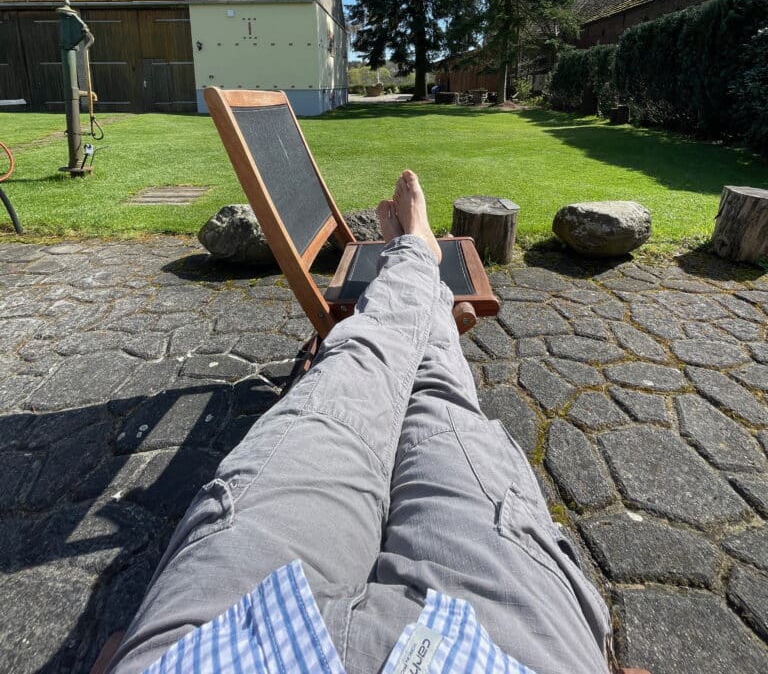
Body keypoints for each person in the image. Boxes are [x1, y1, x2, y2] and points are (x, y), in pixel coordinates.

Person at [107, 172, 645, 674]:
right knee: (437, 395)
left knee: (362, 354)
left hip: (229, 634)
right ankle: (418, 265)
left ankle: (414, 269)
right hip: (502, 644)